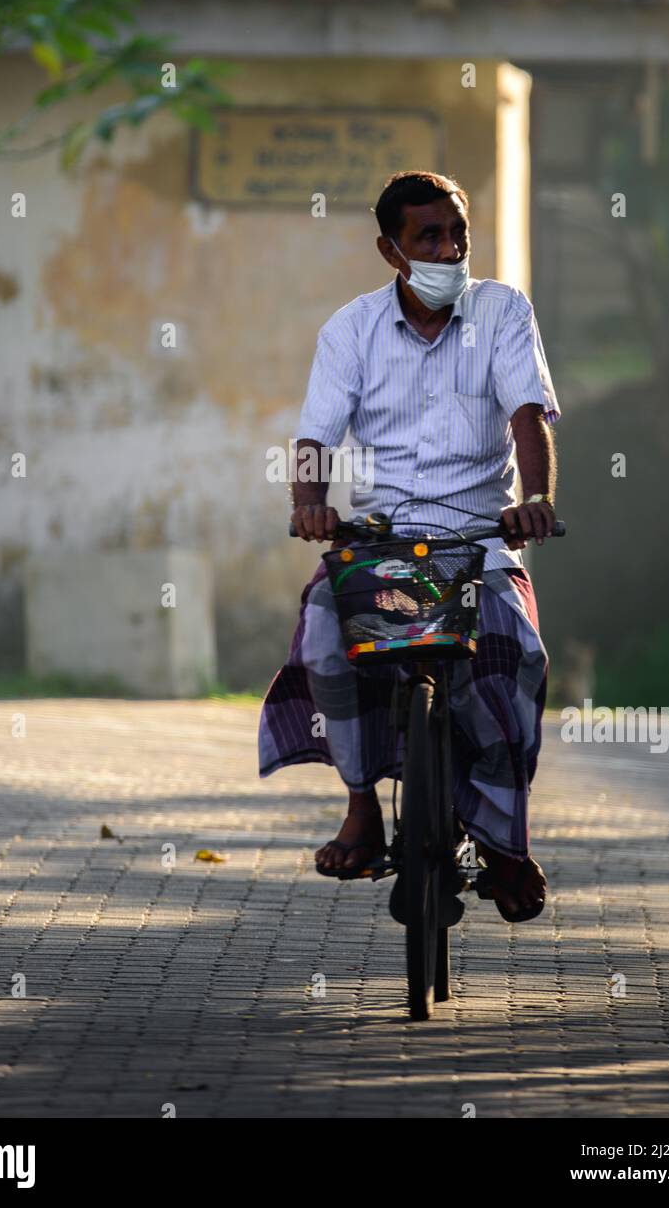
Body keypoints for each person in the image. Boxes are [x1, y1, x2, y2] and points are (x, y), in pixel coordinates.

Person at [258, 170, 560, 922]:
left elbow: (528, 414)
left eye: (457, 232)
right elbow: (314, 435)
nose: (449, 248)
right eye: (428, 236)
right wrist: (307, 505)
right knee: (324, 637)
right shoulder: (350, 329)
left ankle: (500, 838)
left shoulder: (501, 311)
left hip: (479, 543)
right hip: (380, 546)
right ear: (391, 250)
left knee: (514, 659)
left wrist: (535, 501)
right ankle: (360, 806)